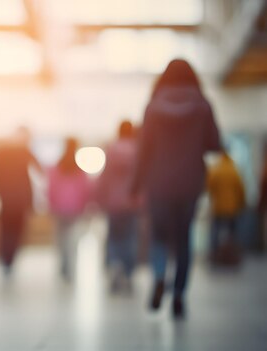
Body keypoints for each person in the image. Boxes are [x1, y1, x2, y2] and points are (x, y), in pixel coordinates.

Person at [132, 59, 221, 319]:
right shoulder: (203, 105)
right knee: (184, 239)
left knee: (159, 235)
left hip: (158, 182)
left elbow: (143, 150)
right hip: (190, 183)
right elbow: (215, 144)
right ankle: (179, 293)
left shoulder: (152, 107)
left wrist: (136, 184)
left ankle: (160, 276)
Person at [96, 121, 141, 292]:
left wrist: (99, 198)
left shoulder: (111, 149)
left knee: (114, 237)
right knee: (130, 238)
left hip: (113, 202)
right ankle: (128, 272)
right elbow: (141, 177)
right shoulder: (138, 151)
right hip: (132, 202)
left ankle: (114, 265)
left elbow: (105, 176)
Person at [0, 126, 41, 276]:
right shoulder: (23, 150)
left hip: (5, 197)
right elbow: (39, 169)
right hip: (20, 198)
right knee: (16, 231)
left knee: (5, 230)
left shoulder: (2, 149)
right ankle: (9, 259)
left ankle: (5, 259)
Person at [47, 137, 93, 282]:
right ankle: (69, 267)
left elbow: (51, 188)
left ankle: (63, 264)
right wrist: (85, 205)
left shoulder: (57, 167)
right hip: (75, 209)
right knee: (72, 239)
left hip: (59, 208)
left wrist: (51, 204)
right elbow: (85, 189)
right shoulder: (79, 169)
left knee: (60, 238)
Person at [206, 151, 246, 265]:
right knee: (233, 232)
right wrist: (242, 204)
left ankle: (213, 254)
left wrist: (213, 198)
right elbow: (241, 189)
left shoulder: (216, 169)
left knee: (215, 231)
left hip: (218, 207)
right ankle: (233, 254)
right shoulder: (234, 170)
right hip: (232, 208)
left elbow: (209, 186)